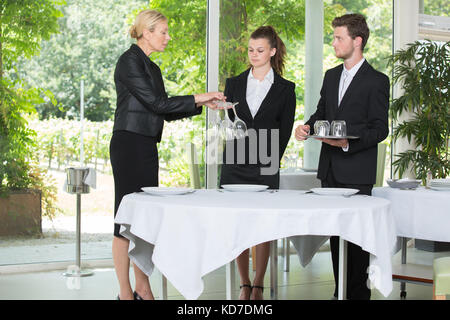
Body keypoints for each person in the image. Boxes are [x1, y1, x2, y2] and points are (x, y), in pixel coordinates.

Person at [110, 9, 225, 300]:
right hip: (129, 144)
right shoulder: (129, 61)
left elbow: (165, 111)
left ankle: (142, 287)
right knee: (125, 219)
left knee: (144, 219)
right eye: (163, 31)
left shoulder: (153, 68)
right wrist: (201, 95)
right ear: (146, 32)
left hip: (146, 145)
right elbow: (157, 103)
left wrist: (202, 104)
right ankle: (127, 293)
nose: (168, 37)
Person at [295, 14, 389, 300]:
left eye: (339, 38)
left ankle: (358, 296)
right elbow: (322, 112)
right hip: (331, 171)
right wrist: (307, 127)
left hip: (358, 173)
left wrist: (348, 140)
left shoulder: (377, 80)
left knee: (358, 243)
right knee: (336, 239)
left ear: (357, 41)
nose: (333, 43)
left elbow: (380, 129)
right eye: (333, 37)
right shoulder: (331, 75)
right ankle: (340, 294)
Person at [220, 26, 296, 300]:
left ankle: (259, 283)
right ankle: (243, 283)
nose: (254, 55)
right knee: (237, 225)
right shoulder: (234, 84)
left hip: (266, 164)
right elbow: (229, 125)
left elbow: (284, 132)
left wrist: (269, 159)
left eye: (260, 50)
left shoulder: (286, 89)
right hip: (235, 163)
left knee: (264, 224)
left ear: (272, 52)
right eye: (251, 50)